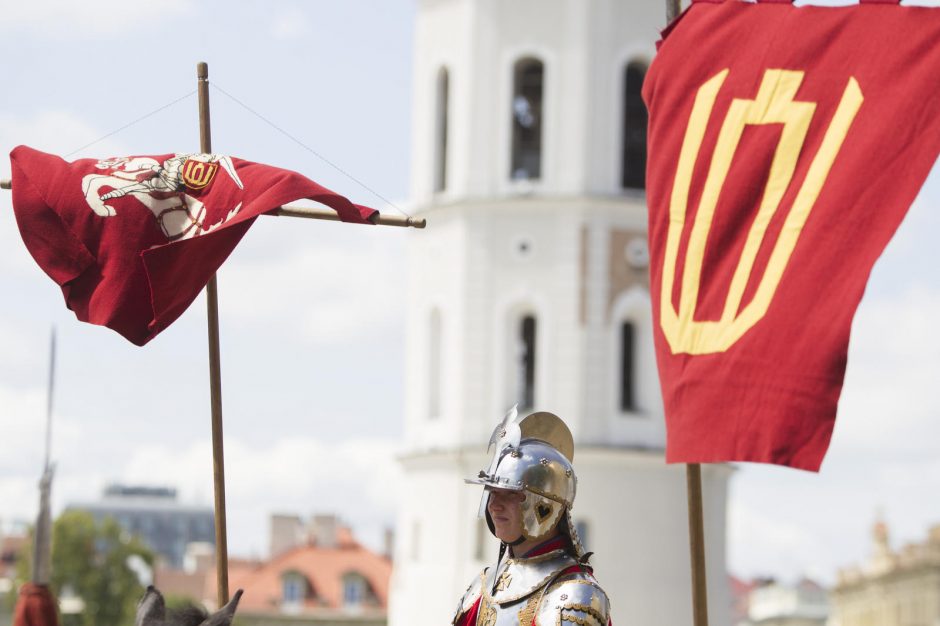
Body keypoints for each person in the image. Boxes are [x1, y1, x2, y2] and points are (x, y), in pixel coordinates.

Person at [452, 409, 611, 626]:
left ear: (544, 507)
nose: (495, 505)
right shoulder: (482, 590)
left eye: (510, 494)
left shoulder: (572, 597)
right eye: (492, 492)